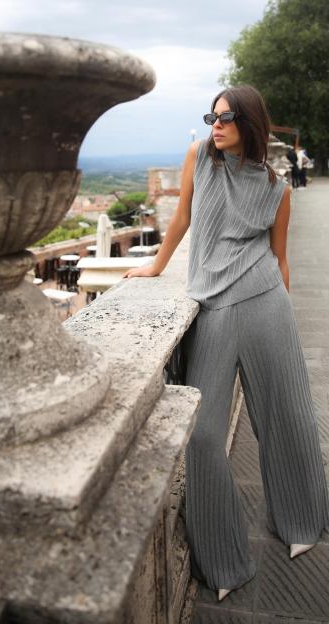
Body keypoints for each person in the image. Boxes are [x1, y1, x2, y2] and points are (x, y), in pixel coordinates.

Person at [123, 84, 329, 602]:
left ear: (250, 122)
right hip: (212, 310)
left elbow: (279, 258)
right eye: (212, 116)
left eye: (227, 117)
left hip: (265, 303)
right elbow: (182, 218)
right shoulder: (199, 157)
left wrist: (285, 319)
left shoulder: (277, 188)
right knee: (203, 435)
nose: (216, 125)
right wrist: (155, 266)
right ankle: (223, 559)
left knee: (287, 413)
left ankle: (302, 520)